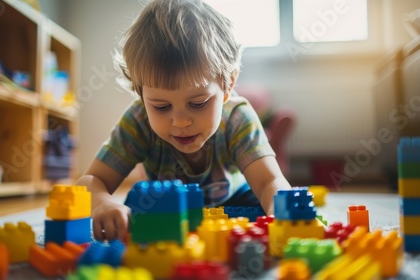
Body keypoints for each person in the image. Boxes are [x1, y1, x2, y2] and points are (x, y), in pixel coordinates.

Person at [75, 0, 292, 242]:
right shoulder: (138, 120)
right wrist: (102, 203)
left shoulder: (237, 117)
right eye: (161, 106)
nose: (179, 121)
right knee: (133, 210)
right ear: (141, 93)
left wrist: (281, 212)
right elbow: (90, 181)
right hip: (165, 208)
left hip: (231, 205)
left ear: (228, 85)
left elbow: (268, 181)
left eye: (198, 103)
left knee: (263, 208)